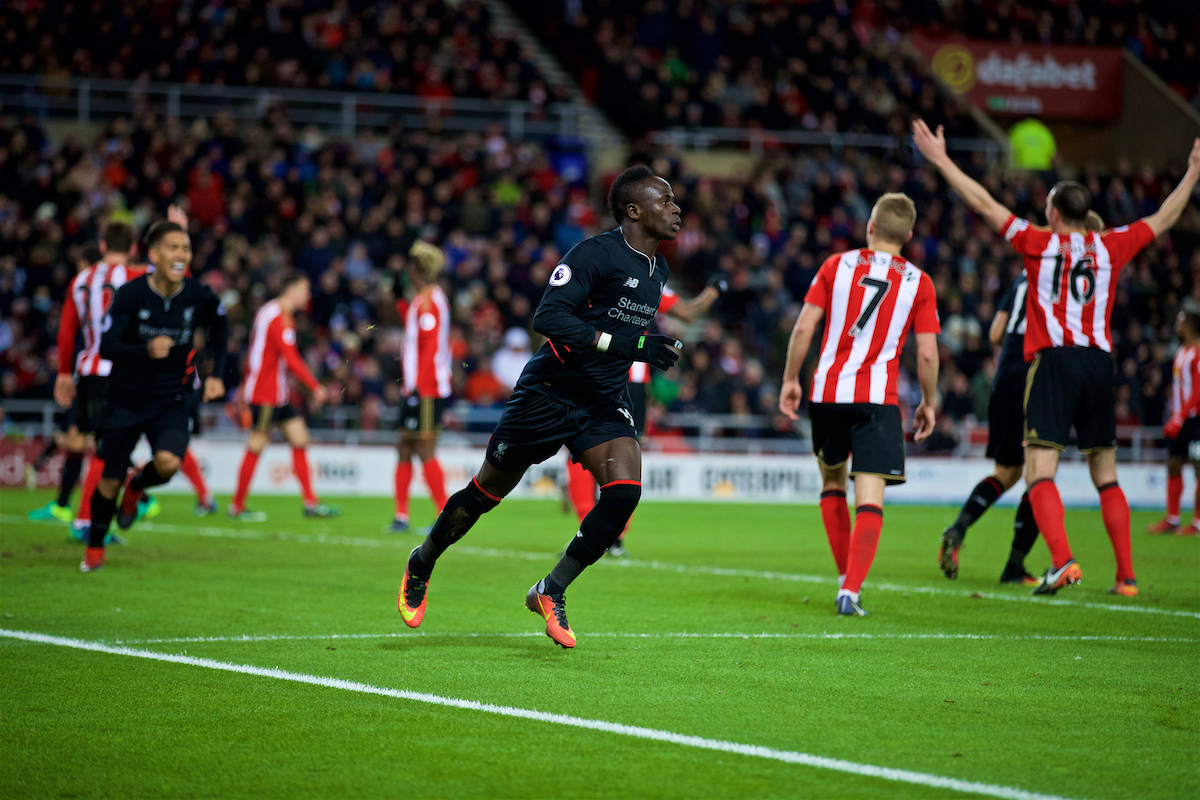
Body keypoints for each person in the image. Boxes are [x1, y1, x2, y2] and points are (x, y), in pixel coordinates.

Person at [397, 164, 684, 648]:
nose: (676, 209)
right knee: (485, 494)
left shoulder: (660, 270)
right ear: (634, 211)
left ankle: (551, 589)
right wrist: (632, 345)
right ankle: (422, 559)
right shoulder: (594, 254)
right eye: (665, 201)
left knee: (624, 492)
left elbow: (624, 336)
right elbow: (547, 316)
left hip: (602, 400)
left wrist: (640, 348)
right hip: (549, 392)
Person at [913, 119, 1200, 597]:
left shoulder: (1038, 243)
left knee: (1038, 471)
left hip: (1054, 363)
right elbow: (1166, 218)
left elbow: (984, 204)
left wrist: (942, 160)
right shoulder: (1111, 245)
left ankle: (1062, 560)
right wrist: (1192, 174)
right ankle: (1126, 577)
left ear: (1053, 211)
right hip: (1099, 364)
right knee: (1105, 473)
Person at [779, 192, 940, 617]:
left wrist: (791, 379)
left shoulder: (837, 265)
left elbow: (803, 328)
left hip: (828, 393)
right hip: (877, 399)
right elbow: (926, 354)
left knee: (832, 484)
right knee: (869, 496)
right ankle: (850, 590)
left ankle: (842, 578)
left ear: (870, 227)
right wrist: (929, 401)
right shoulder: (919, 282)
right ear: (908, 235)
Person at [938, 210, 1106, 584]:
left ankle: (960, 527)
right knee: (1039, 474)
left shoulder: (1020, 277)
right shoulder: (1076, 275)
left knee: (1007, 471)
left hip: (1005, 377)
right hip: (1040, 376)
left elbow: (996, 333)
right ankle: (1015, 564)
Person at [80, 219, 227, 571]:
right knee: (109, 478)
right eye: (174, 248)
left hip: (172, 398)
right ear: (154, 254)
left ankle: (137, 488)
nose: (181, 255)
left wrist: (217, 375)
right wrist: (145, 349)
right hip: (125, 397)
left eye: (186, 249)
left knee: (168, 464)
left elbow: (220, 324)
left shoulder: (197, 294)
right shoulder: (131, 294)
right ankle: (95, 548)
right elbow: (108, 345)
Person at [564, 276, 726, 556]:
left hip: (596, 373)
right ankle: (612, 539)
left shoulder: (596, 274)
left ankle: (595, 536)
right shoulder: (649, 281)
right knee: (623, 459)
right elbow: (687, 313)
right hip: (631, 379)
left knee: (580, 455)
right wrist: (714, 289)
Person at [229, 272, 333, 521]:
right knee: (257, 442)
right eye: (305, 290)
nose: (307, 296)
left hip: (278, 392)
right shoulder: (279, 317)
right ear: (292, 289)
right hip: (267, 392)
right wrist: (315, 386)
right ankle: (237, 506)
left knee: (300, 438)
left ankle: (310, 503)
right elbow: (291, 358)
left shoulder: (271, 312)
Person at [27, 242, 101, 523]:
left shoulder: (87, 295)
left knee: (95, 440)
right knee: (76, 440)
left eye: (80, 265)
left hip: (93, 378)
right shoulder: (95, 297)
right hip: (88, 377)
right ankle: (63, 507)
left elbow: (73, 337)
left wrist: (66, 374)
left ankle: (139, 497)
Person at [391, 241, 452, 533]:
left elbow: (428, 349)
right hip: (416, 388)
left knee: (425, 448)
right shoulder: (422, 299)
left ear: (416, 268)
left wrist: (417, 387)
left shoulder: (430, 300)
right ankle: (401, 516)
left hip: (425, 388)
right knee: (404, 446)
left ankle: (444, 513)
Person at [1148, 310, 1200, 536]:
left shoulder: (1198, 351)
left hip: (1196, 420)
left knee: (1199, 468)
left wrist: (1180, 416)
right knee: (1173, 463)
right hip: (1181, 419)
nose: (1176, 325)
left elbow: (1198, 389)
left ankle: (1197, 522)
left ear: (1190, 325)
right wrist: (1174, 414)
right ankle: (1172, 518)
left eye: (1180, 321)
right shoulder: (1181, 352)